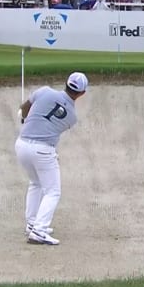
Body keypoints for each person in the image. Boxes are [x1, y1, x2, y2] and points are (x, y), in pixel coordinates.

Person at [15, 72, 89, 245]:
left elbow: (24, 107)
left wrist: (25, 118)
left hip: (21, 144)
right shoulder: (72, 117)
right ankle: (39, 231)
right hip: (43, 150)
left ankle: (32, 224)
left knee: (36, 183)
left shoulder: (44, 91)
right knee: (53, 191)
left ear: (65, 83)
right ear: (82, 93)